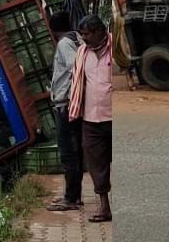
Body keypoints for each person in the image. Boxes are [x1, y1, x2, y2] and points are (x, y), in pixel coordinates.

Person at [69, 15, 112, 223]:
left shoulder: (116, 46)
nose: (84, 38)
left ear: (99, 31)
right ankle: (104, 207)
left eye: (87, 34)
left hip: (113, 117)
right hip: (90, 119)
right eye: (82, 34)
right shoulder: (82, 53)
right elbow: (78, 82)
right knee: (97, 165)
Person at [45, 11, 83, 212]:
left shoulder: (64, 44)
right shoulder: (76, 38)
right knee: (75, 152)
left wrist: (67, 92)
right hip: (70, 102)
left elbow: (74, 67)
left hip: (65, 104)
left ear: (53, 29)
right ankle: (74, 196)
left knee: (68, 153)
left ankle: (71, 198)